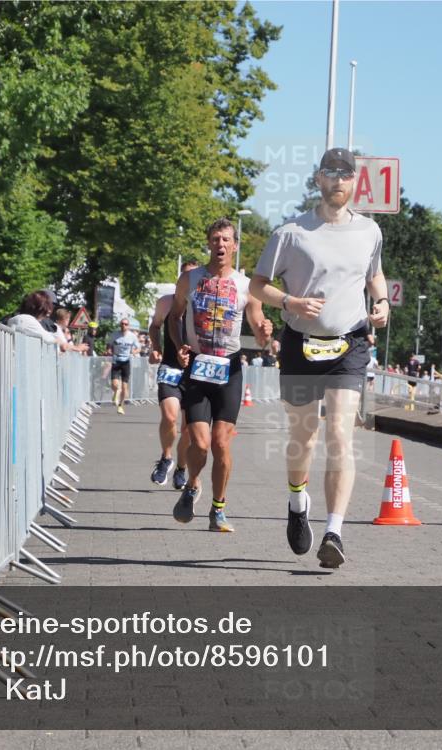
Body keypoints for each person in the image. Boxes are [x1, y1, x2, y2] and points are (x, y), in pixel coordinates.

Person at [250, 147, 388, 569]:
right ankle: (296, 502)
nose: (339, 182)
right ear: (318, 180)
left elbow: (374, 274)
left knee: (341, 437)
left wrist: (381, 302)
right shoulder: (291, 232)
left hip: (349, 345)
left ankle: (334, 532)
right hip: (301, 344)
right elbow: (258, 286)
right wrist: (290, 301)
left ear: (353, 182)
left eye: (346, 175)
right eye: (331, 173)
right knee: (303, 438)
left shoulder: (370, 232)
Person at [169, 218, 272, 532]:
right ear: (208, 243)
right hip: (199, 367)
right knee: (199, 445)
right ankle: (192, 485)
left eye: (226, 240)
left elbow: (257, 323)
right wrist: (179, 346)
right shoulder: (189, 279)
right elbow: (175, 317)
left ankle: (218, 509)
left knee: (221, 444)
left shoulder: (246, 285)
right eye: (215, 239)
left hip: (229, 369)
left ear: (235, 245)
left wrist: (266, 333)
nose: (221, 245)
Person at [147, 259, 201, 489]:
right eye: (184, 276)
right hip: (170, 365)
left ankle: (181, 467)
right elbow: (155, 325)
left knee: (188, 428)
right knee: (169, 417)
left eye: (192, 277)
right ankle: (166, 458)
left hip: (195, 371)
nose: (186, 281)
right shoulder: (166, 302)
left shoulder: (203, 305)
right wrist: (156, 347)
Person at [8, 292, 88, 353]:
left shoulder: (14, 319)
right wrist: (78, 348)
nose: (46, 316)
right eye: (45, 312)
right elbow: (57, 343)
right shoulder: (27, 320)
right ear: (40, 309)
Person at [109, 318, 139, 414]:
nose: (124, 325)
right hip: (116, 360)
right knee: (114, 384)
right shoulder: (114, 335)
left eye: (126, 324)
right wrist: (109, 350)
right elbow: (109, 345)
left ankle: (121, 406)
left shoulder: (132, 336)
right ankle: (116, 392)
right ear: (120, 325)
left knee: (125, 387)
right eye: (122, 324)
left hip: (126, 361)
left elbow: (139, 347)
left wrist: (134, 351)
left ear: (128, 326)